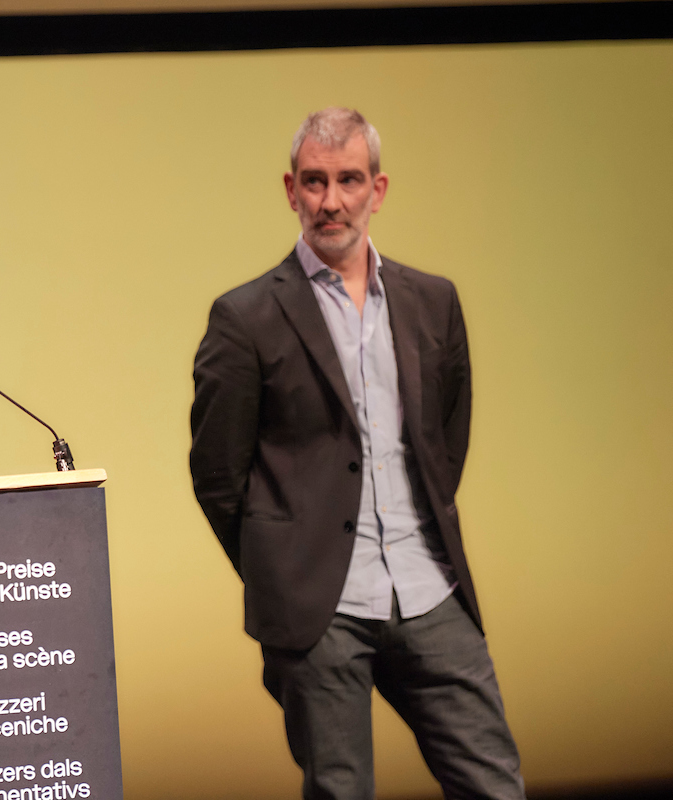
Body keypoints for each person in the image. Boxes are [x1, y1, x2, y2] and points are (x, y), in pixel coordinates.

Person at [189, 107, 525, 799]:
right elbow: (217, 473)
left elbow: (444, 439)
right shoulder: (246, 316)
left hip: (429, 588)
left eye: (348, 180)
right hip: (322, 611)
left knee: (495, 787)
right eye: (315, 181)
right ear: (291, 190)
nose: (331, 200)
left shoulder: (432, 300)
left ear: (378, 189)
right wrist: (284, 568)